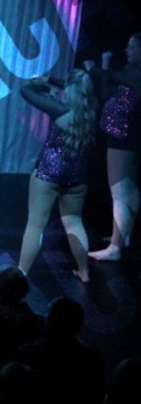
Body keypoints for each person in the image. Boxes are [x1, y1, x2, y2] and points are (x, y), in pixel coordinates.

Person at [17, 71, 96, 282]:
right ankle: (84, 271)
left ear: (68, 89)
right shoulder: (91, 109)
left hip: (49, 173)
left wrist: (45, 84)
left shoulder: (59, 109)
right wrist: (55, 81)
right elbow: (83, 89)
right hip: (77, 175)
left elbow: (26, 90)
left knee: (35, 224)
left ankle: (21, 273)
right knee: (74, 223)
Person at [88, 33, 141, 261]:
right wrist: (103, 66)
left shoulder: (133, 73)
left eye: (131, 47)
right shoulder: (129, 72)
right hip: (124, 136)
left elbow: (112, 75)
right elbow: (105, 91)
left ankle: (115, 248)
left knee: (119, 191)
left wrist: (95, 68)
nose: (126, 51)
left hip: (124, 137)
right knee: (129, 188)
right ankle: (123, 235)